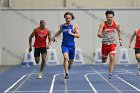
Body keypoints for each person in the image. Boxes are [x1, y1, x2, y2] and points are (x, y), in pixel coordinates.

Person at [52, 12, 80, 79]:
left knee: (71, 61)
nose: (68, 19)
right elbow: (59, 32)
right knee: (65, 57)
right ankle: (66, 73)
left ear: (71, 18)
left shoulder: (74, 25)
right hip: (64, 45)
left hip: (72, 46)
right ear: (65, 18)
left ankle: (69, 64)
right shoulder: (62, 26)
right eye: (66, 18)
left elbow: (78, 35)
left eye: (69, 18)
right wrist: (54, 37)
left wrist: (71, 34)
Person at [97, 10, 122, 79]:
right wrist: (102, 35)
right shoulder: (103, 24)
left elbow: (119, 31)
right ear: (106, 17)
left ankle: (110, 73)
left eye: (111, 17)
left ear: (113, 17)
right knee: (104, 60)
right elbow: (98, 33)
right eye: (108, 17)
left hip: (112, 43)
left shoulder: (116, 24)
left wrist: (120, 39)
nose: (110, 18)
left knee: (112, 57)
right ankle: (103, 57)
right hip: (105, 44)